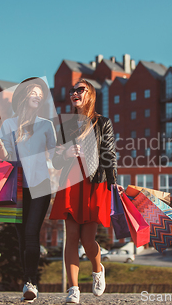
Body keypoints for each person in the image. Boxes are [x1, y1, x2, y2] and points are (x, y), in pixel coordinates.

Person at [49, 79, 122, 304]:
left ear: (90, 94)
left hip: (94, 183)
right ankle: (73, 289)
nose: (74, 93)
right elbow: (56, 159)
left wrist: (113, 183)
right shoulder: (65, 124)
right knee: (71, 237)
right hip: (70, 184)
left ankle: (97, 268)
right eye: (72, 90)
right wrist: (66, 154)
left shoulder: (103, 123)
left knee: (88, 240)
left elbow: (109, 154)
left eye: (80, 89)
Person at [0, 77, 56, 302]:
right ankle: (28, 281)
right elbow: (5, 156)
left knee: (30, 232)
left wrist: (66, 154)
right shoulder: (9, 125)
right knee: (21, 237)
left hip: (40, 185)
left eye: (40, 94)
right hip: (16, 187)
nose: (37, 96)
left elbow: (55, 157)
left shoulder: (46, 124)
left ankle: (31, 283)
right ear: (25, 97)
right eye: (33, 93)